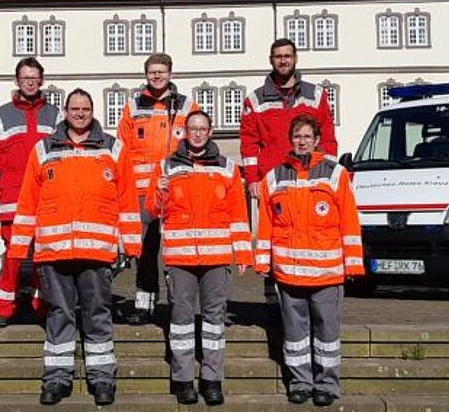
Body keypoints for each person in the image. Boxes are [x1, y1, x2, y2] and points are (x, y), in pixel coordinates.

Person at [8, 89, 141, 407]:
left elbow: (127, 199)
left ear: (92, 111)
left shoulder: (113, 148)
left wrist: (132, 243)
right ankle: (56, 378)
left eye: (85, 108)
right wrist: (18, 248)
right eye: (74, 108)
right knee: (60, 314)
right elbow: (28, 200)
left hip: (96, 251)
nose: (80, 113)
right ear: (65, 112)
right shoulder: (44, 149)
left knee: (98, 314)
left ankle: (102, 378)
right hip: (54, 251)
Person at [254, 116, 364, 407]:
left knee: (327, 335)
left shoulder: (336, 174)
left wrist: (352, 265)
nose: (301, 141)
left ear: (317, 140)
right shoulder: (275, 177)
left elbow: (350, 222)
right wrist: (262, 262)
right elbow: (266, 224)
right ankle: (299, 383)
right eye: (297, 136)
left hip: (327, 274)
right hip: (289, 275)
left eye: (307, 136)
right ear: (291, 140)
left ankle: (327, 385)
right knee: (294, 336)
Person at [146, 111, 252, 406]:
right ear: (184, 131)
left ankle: (211, 378)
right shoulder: (166, 166)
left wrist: (243, 253)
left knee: (214, 322)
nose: (197, 134)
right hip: (180, 259)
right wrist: (159, 190)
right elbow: (154, 210)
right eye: (192, 129)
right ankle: (182, 379)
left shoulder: (227, 168)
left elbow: (238, 216)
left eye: (202, 129)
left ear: (210, 131)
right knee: (180, 321)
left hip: (216, 258)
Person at [240, 38, 338, 312]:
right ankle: (273, 299)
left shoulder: (315, 94)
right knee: (272, 238)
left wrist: (327, 174)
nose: (283, 61)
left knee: (309, 235)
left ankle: (309, 290)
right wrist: (253, 179)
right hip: (273, 181)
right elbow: (249, 143)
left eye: (287, 56)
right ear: (271, 60)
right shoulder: (255, 99)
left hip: (311, 179)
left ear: (296, 59)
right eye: (278, 56)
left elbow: (328, 138)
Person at [117, 53, 198, 325]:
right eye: (152, 72)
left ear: (170, 73)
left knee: (177, 250)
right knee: (144, 251)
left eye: (161, 72)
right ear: (146, 74)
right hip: (142, 194)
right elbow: (122, 150)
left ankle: (179, 304)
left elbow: (195, 145)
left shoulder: (186, 105)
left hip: (176, 191)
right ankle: (144, 302)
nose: (157, 76)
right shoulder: (133, 105)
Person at [0, 58, 61, 329]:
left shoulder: (56, 116)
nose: (30, 82)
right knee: (14, 257)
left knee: (45, 256)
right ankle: (3, 309)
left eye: (34, 77)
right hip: (13, 199)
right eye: (25, 77)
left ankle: (42, 308)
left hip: (47, 198)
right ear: (17, 81)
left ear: (42, 81)